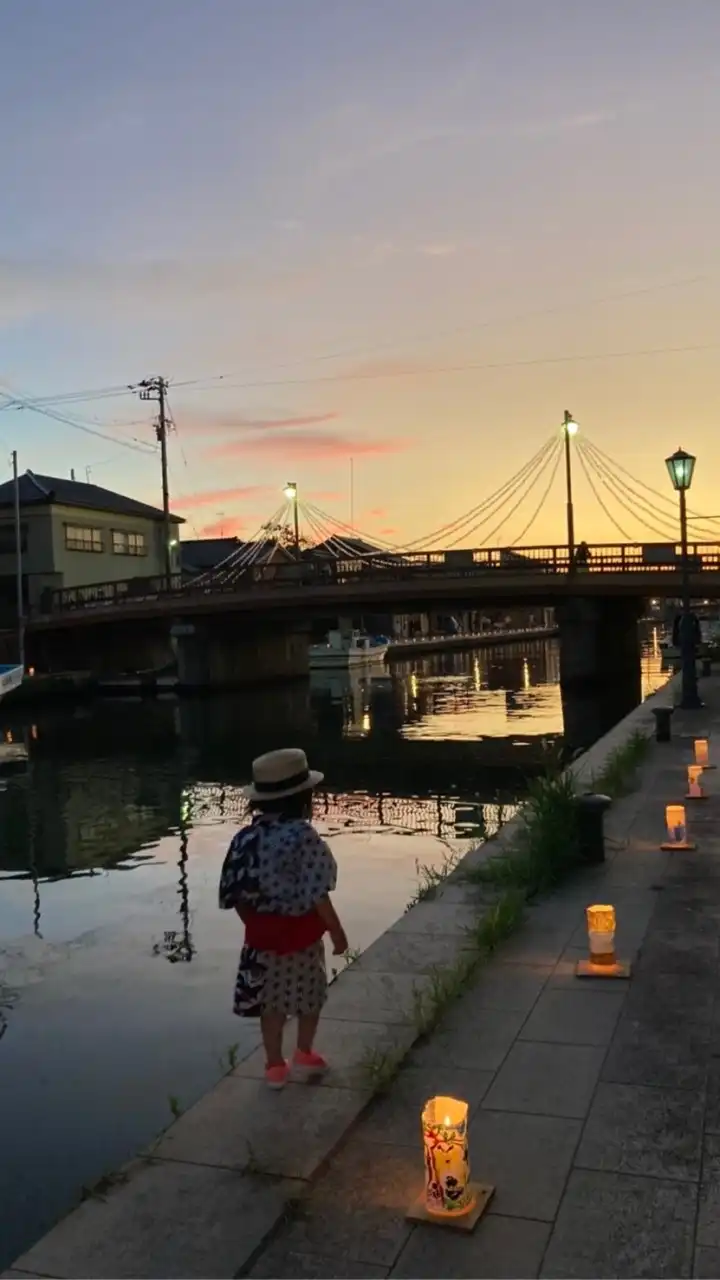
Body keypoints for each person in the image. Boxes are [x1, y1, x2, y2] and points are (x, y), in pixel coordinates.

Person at [218, 748, 348, 1089]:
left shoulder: (243, 838)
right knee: (310, 995)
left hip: (260, 936)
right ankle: (303, 1050)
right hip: (302, 934)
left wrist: (256, 924)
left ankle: (274, 1065)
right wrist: (336, 931)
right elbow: (318, 891)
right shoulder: (303, 837)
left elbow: (234, 892)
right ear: (305, 798)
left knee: (269, 1003)